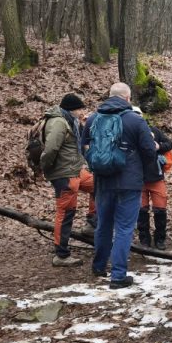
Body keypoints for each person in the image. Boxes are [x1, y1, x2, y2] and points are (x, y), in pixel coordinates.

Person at [82, 83, 156, 289]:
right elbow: (150, 150)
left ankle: (98, 267)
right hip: (129, 182)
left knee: (103, 224)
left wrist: (97, 166)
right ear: (127, 98)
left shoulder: (93, 119)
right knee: (124, 228)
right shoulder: (135, 120)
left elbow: (84, 147)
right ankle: (118, 275)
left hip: (102, 181)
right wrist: (142, 168)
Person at [40, 93, 96, 267]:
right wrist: (48, 168)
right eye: (80, 109)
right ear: (71, 109)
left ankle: (92, 225)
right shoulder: (58, 122)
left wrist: (83, 124)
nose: (82, 112)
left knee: (99, 185)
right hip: (65, 174)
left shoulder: (69, 121)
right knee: (65, 214)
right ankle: (61, 255)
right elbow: (50, 150)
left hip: (76, 170)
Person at [132, 107, 172, 251]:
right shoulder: (128, 133)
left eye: (139, 116)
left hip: (156, 177)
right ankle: (144, 240)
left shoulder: (154, 131)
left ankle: (160, 239)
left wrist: (158, 146)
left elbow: (170, 144)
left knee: (160, 209)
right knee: (141, 210)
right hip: (138, 178)